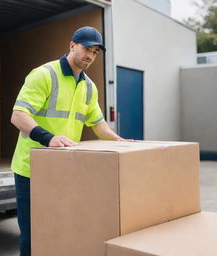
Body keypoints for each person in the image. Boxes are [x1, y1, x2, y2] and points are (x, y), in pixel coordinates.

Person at [11, 26, 132, 256]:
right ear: (72, 46)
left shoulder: (88, 87)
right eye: (87, 49)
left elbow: (98, 124)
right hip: (31, 171)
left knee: (60, 230)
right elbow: (18, 115)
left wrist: (120, 140)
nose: (90, 56)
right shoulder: (45, 74)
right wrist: (49, 139)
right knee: (32, 235)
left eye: (95, 52)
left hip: (64, 170)